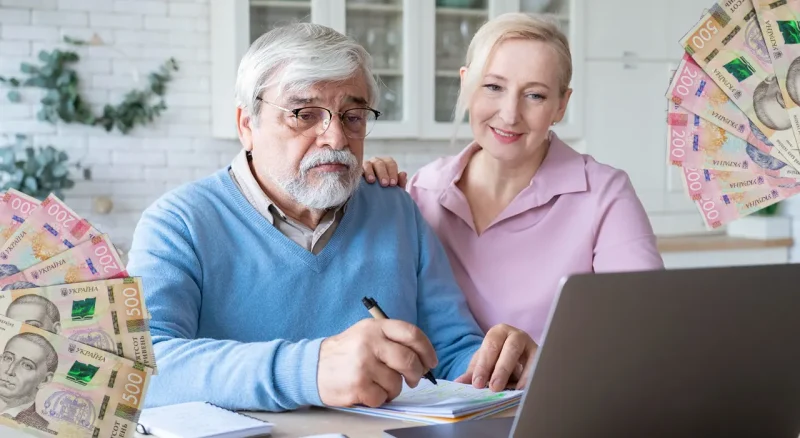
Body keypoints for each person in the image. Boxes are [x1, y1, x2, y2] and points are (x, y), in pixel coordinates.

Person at [127, 23, 539, 412]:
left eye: (352, 116)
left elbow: (448, 353)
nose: (337, 138)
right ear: (246, 124)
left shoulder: (395, 210)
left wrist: (496, 364)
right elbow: (142, 368)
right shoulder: (178, 223)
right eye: (305, 114)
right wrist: (310, 370)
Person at [363, 13, 664, 345]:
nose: (509, 114)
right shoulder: (423, 190)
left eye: (534, 95)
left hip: (556, 394)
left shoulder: (604, 195)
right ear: (466, 84)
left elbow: (643, 330)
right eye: (493, 87)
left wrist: (543, 365)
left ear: (561, 105)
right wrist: (365, 194)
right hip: (448, 395)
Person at [0, 333, 58, 431]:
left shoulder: (42, 429)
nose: (10, 371)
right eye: (8, 358)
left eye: (27, 365)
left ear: (44, 380)